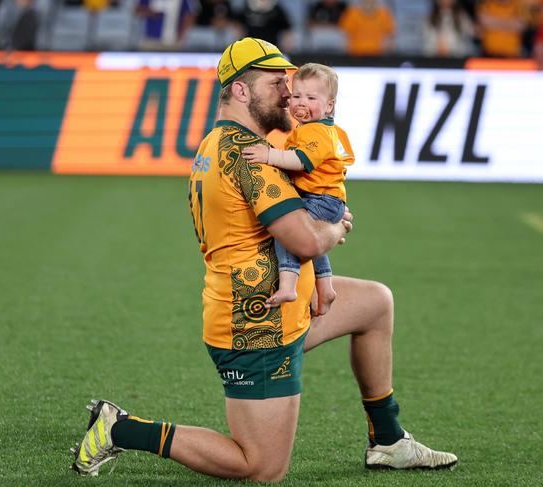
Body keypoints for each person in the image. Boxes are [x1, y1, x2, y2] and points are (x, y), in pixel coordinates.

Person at [69, 37, 458, 482]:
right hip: (256, 324)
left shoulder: (222, 143)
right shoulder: (246, 157)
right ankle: (121, 428)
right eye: (277, 83)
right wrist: (338, 226)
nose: (289, 93)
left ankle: (388, 441)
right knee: (261, 467)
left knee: (374, 303)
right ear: (240, 90)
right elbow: (307, 241)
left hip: (278, 304)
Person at [241, 63, 352, 316]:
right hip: (328, 198)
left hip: (320, 198)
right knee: (312, 242)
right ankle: (326, 287)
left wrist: (269, 155)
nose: (302, 102)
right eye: (297, 95)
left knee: (291, 234)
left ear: (329, 106)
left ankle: (288, 285)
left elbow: (300, 160)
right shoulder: (311, 129)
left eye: (311, 98)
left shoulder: (317, 132)